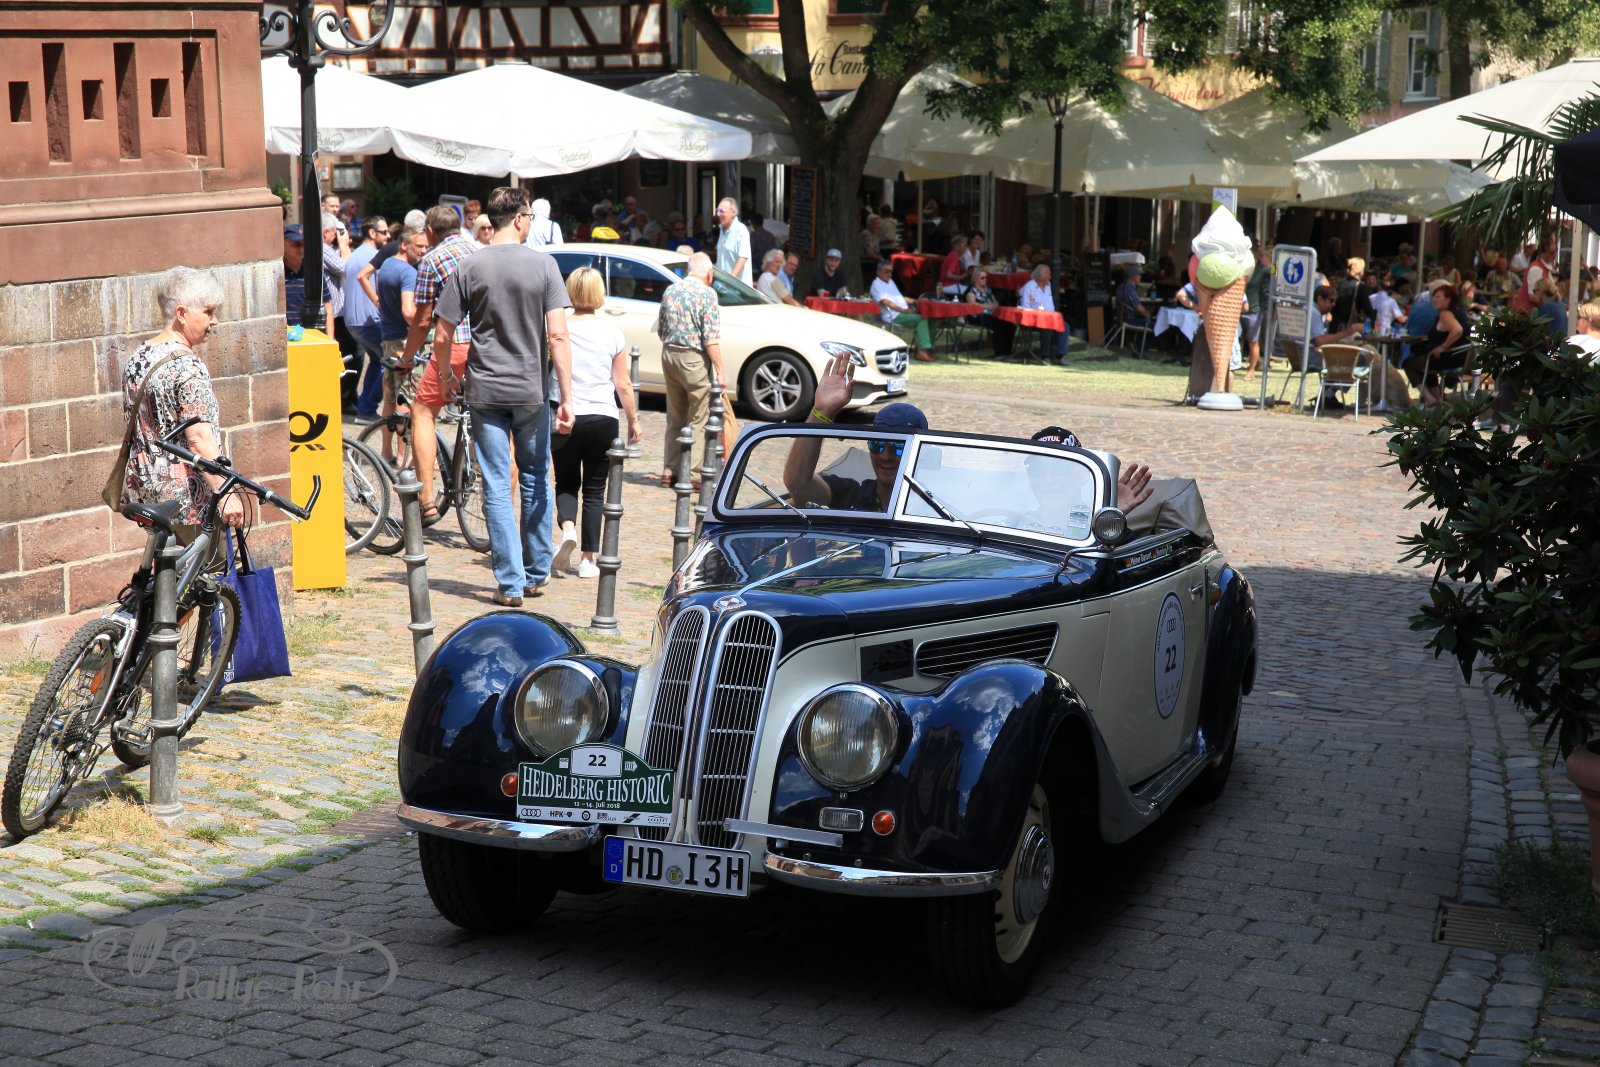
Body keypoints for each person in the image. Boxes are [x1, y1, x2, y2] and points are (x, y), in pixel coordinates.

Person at [433, 187, 573, 607]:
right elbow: (558, 335)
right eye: (529, 216)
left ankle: (510, 584)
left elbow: (443, 335)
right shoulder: (544, 265)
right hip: (530, 389)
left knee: (496, 484)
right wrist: (567, 396)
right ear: (519, 218)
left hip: (485, 389)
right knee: (535, 477)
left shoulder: (469, 266)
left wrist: (446, 376)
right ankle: (536, 572)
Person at [118, 267, 246, 554]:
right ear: (182, 313)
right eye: (209, 312)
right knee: (206, 572)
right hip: (187, 496)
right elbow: (198, 438)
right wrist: (225, 493)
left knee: (167, 568)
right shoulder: (188, 367)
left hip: (147, 488)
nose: (215, 321)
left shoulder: (139, 356)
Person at [552, 267, 642, 579]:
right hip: (603, 416)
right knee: (594, 489)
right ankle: (588, 559)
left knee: (566, 482)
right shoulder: (612, 332)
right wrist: (633, 419)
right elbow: (623, 383)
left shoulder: (559, 327)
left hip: (567, 414)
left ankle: (568, 529)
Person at [398, 205, 480, 525]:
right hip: (486, 346)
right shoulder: (478, 251)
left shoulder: (432, 260)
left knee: (422, 411)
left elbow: (422, 321)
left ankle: (427, 501)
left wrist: (407, 358)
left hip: (455, 345)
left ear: (430, 232)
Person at [784, 354, 923, 512]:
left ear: (921, 454)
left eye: (899, 447)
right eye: (877, 444)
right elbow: (799, 485)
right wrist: (821, 411)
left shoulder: (935, 509)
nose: (885, 456)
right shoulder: (852, 495)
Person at [656, 251, 726, 488]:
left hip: (669, 355)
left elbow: (661, 328)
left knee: (675, 416)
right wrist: (721, 370)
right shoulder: (707, 294)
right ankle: (693, 473)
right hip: (693, 359)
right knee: (699, 417)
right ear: (709, 273)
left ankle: (669, 470)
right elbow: (711, 338)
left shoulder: (671, 290)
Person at [375, 225, 429, 463]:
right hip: (404, 342)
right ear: (405, 245)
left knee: (389, 397)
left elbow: (365, 278)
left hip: (388, 338)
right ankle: (403, 457)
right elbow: (408, 312)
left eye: (426, 246)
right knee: (406, 398)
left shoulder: (387, 265)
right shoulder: (408, 272)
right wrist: (427, 322)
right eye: (419, 246)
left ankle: (386, 451)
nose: (423, 251)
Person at [1028, 426, 1153, 514]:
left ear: (1084, 474)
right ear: (1028, 478)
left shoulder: (1099, 527)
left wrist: (1110, 517)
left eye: (1061, 468)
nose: (1048, 479)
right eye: (1038, 470)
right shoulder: (1018, 524)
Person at [343, 215, 388, 420]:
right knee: (390, 362)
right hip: (369, 319)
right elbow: (381, 287)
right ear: (372, 233)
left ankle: (365, 407)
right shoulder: (374, 256)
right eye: (384, 232)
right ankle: (367, 409)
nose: (388, 236)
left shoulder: (356, 254)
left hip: (354, 320)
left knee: (378, 360)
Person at [1403, 284, 1466, 407]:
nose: (1434, 299)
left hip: (1450, 358)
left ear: (1448, 299)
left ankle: (1429, 398)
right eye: (1434, 297)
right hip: (1458, 357)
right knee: (1426, 359)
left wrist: (1443, 347)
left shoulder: (1445, 314)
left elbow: (1457, 330)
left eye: (1438, 297)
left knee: (1408, 364)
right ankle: (1436, 397)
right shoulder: (1458, 312)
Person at [869, 260, 935, 363]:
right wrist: (902, 310)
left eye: (891, 272)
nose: (889, 274)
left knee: (931, 317)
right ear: (878, 272)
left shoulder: (890, 282)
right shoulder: (876, 284)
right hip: (893, 315)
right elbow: (885, 302)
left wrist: (916, 301)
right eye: (886, 271)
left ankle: (929, 349)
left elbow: (900, 298)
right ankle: (922, 351)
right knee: (921, 318)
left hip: (903, 312)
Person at [282, 224, 335, 327]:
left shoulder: (314, 271)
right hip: (287, 334)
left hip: (313, 333)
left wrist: (330, 335)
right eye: (296, 244)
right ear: (283, 244)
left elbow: (326, 304)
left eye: (304, 244)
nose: (302, 249)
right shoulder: (277, 274)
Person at [1017, 264, 1070, 362]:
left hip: (1049, 317)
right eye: (1048, 274)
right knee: (1046, 325)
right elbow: (1025, 307)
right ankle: (1045, 356)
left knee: (1065, 325)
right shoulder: (1029, 287)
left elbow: (1049, 305)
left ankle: (1059, 356)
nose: (1050, 276)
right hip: (1033, 320)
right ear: (1041, 276)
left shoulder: (1048, 285)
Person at [961, 268, 1015, 357]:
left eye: (986, 277)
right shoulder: (971, 290)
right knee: (998, 325)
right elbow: (972, 304)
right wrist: (987, 306)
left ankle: (1007, 352)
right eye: (982, 278)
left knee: (1010, 325)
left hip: (990, 314)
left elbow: (994, 301)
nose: (985, 279)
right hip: (976, 316)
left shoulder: (987, 289)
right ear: (976, 279)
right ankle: (999, 354)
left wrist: (995, 305)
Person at [1514, 237, 1558, 314]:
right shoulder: (1536, 269)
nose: (1555, 255)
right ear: (1543, 253)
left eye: (1556, 252)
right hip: (1527, 314)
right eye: (1552, 253)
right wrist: (1554, 304)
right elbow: (1533, 297)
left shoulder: (1545, 268)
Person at [713, 197, 751, 284]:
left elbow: (743, 257)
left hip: (737, 287)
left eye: (722, 211)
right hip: (723, 285)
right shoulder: (722, 229)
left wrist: (730, 281)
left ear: (733, 213)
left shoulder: (740, 230)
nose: (718, 214)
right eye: (717, 211)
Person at [859, 214, 884, 280]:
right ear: (869, 224)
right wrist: (881, 259)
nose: (878, 226)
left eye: (879, 224)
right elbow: (870, 254)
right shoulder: (866, 234)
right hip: (867, 264)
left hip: (873, 263)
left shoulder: (875, 234)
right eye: (876, 224)